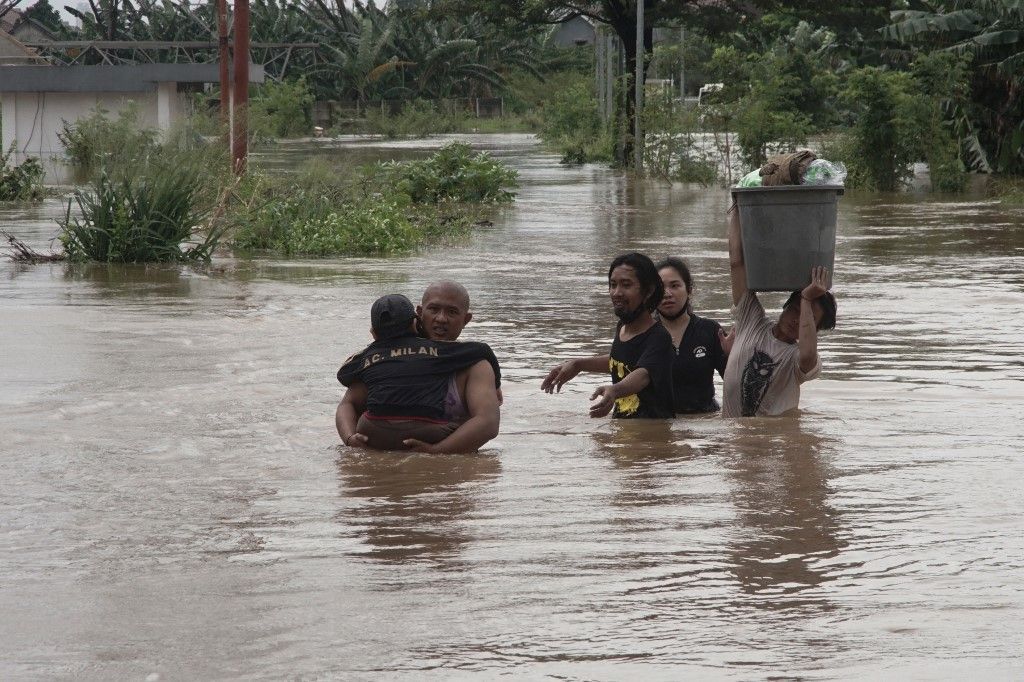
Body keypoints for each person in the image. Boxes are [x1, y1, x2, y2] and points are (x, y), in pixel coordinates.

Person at [335, 294, 501, 453]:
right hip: (434, 444)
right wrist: (436, 452)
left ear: (373, 333)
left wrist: (350, 440)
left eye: (451, 312)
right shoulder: (454, 353)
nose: (441, 318)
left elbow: (344, 379)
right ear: (417, 319)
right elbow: (482, 349)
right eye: (434, 309)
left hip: (373, 433)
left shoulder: (369, 360)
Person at [722, 204, 837, 417]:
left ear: (814, 329)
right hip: (731, 436)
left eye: (807, 317)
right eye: (795, 310)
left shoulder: (797, 358)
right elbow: (737, 263)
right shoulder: (752, 320)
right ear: (784, 307)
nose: (796, 320)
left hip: (768, 445)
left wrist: (805, 298)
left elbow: (808, 353)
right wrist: (738, 211)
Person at [541, 252, 675, 418]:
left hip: (652, 437)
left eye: (626, 285)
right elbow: (619, 362)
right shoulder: (622, 328)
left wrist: (614, 390)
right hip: (625, 430)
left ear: (648, 291)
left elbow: (643, 375)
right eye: (613, 285)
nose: (616, 292)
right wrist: (578, 364)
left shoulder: (659, 337)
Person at [655, 257, 729, 413]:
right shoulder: (645, 333)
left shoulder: (710, 330)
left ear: (689, 290)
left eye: (675, 286)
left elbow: (738, 386)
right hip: (659, 425)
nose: (667, 294)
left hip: (703, 424)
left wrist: (733, 357)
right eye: (660, 287)